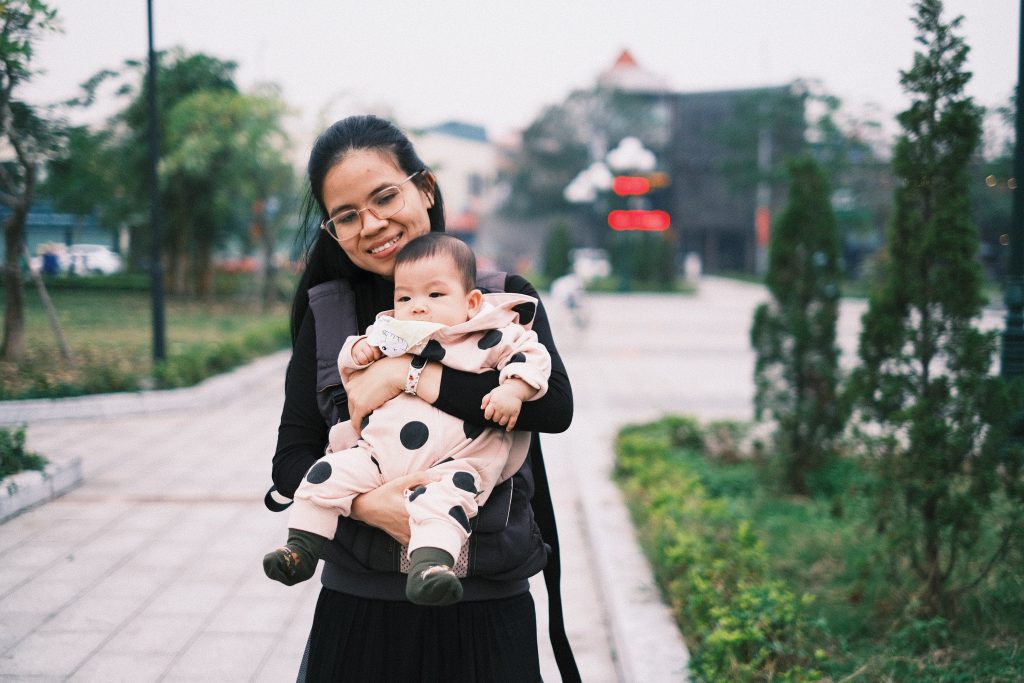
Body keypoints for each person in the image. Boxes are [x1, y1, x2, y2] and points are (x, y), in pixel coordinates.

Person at [269, 115, 579, 681]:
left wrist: (409, 377)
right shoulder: (330, 314)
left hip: (486, 604)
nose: (373, 223)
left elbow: (554, 408)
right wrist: (367, 505)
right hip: (360, 610)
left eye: (385, 196)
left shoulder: (500, 300)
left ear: (425, 188)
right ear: (333, 231)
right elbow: (291, 461)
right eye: (347, 215)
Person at [264, 233, 551, 609]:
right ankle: (300, 548)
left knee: (444, 504)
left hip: (455, 462)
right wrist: (360, 351)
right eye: (405, 297)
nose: (417, 307)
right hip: (379, 456)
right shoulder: (390, 333)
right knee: (328, 473)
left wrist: (513, 390)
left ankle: (431, 568)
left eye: (435, 296)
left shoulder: (491, 332)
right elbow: (352, 360)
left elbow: (531, 358)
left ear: (471, 301)